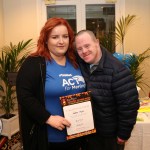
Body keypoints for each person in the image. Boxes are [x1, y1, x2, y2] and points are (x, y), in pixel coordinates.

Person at [16, 17, 86, 150]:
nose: (61, 41)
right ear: (46, 40)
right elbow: (24, 96)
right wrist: (48, 118)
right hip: (48, 138)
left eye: (65, 36)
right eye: (55, 37)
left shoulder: (76, 61)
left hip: (77, 135)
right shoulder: (34, 62)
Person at [75, 30, 139, 150]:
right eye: (79, 48)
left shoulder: (118, 70)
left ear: (97, 43)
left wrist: (123, 134)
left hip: (110, 137)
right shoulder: (81, 64)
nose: (84, 51)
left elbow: (129, 106)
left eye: (87, 46)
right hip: (88, 133)